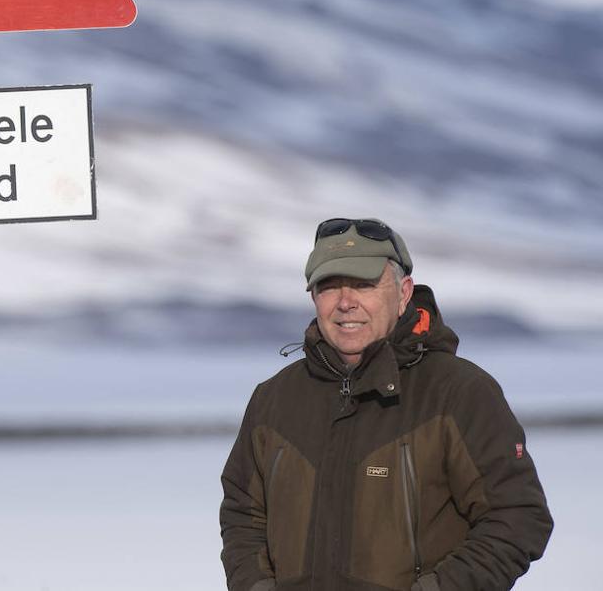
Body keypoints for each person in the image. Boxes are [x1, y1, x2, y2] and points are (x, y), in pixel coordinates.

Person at [219, 218, 552, 591]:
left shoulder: (459, 393)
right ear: (313, 297)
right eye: (329, 286)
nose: (346, 302)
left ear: (404, 292)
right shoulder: (274, 400)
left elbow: (518, 517)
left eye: (363, 284)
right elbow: (242, 517)